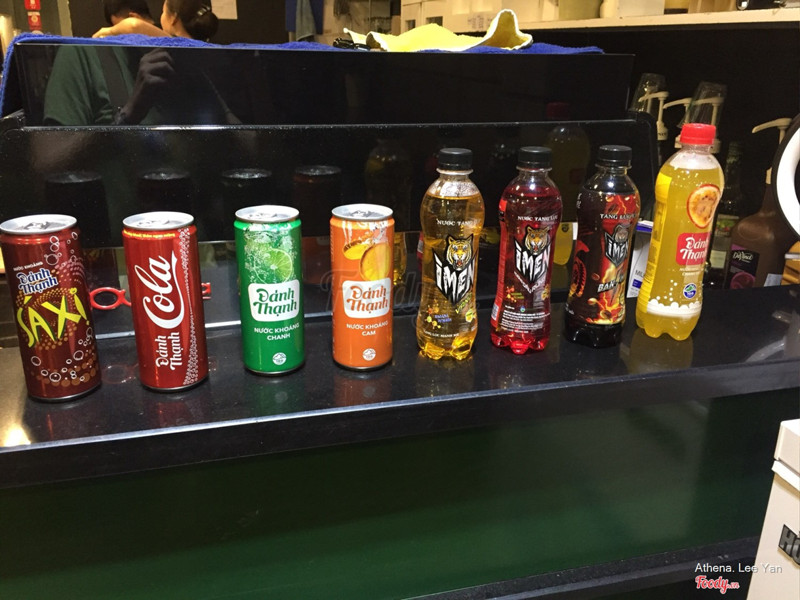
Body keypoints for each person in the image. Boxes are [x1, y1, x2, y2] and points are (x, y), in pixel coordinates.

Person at [93, 1, 218, 42]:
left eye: (163, 12)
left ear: (173, 18)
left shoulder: (175, 45)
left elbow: (133, 25)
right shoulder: (206, 48)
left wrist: (107, 31)